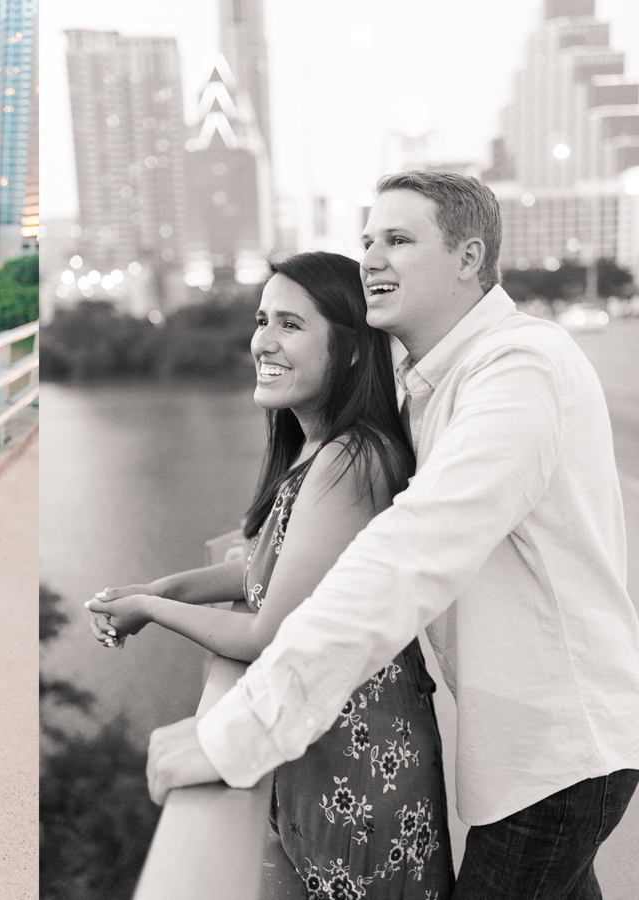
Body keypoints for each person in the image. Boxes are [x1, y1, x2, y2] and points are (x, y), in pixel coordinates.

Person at [144, 171, 639, 898]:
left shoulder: (519, 369)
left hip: (560, 758)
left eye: (399, 240)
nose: (372, 257)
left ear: (469, 259)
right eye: (367, 240)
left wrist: (244, 729)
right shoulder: (432, 388)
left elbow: (411, 550)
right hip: (532, 755)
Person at [88, 251, 454, 898]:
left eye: (290, 324)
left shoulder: (352, 459)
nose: (263, 341)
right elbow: (263, 571)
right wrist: (158, 588)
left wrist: (151, 613)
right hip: (320, 743)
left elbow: (266, 634)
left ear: (348, 350)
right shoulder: (317, 446)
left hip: (361, 757)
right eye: (262, 320)